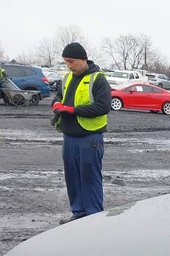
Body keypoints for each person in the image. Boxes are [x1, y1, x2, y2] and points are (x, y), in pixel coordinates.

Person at [51, 42, 111, 224]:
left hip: (89, 137)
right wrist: (55, 104)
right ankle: (78, 214)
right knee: (73, 177)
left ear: (82, 59)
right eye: (66, 62)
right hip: (69, 137)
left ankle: (93, 217)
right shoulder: (67, 78)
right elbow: (58, 96)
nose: (69, 65)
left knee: (90, 178)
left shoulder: (98, 79)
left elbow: (103, 106)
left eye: (71, 61)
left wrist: (72, 110)